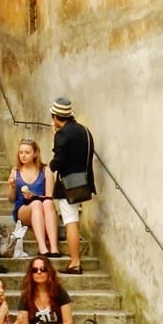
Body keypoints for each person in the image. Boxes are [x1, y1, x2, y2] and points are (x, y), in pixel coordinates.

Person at [48, 97, 96, 274]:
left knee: (70, 222)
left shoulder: (62, 134)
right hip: (84, 182)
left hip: (68, 185)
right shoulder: (84, 130)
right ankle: (75, 261)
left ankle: (75, 262)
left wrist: (48, 167)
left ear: (55, 117)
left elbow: (59, 161)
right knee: (72, 220)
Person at [6, 138, 59, 256]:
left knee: (46, 203)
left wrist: (34, 196)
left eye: (27, 152)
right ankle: (42, 247)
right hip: (23, 209)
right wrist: (12, 187)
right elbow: (11, 199)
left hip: (43, 207)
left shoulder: (46, 171)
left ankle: (54, 247)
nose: (23, 156)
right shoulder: (15, 171)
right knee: (36, 204)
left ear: (35, 153)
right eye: (21, 152)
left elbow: (49, 197)